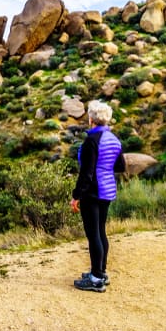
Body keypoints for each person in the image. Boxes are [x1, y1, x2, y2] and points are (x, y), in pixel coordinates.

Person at [70, 100, 124, 292]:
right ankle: (100, 271)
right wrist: (105, 167)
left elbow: (87, 173)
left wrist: (76, 196)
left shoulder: (91, 141)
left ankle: (96, 279)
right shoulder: (114, 139)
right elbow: (120, 166)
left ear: (91, 119)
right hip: (108, 191)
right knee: (100, 231)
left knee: (93, 235)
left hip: (93, 192)